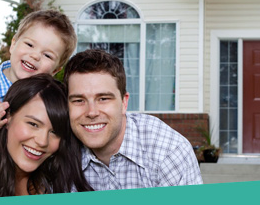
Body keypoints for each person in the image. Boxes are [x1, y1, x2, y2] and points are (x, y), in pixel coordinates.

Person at [63, 49, 203, 190]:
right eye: (79, 100)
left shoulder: (169, 152)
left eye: (103, 99)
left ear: (124, 102)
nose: (91, 112)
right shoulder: (59, 152)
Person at [0, 9, 77, 143]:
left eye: (47, 55)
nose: (35, 56)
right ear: (13, 44)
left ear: (56, 70)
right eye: (30, 45)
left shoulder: (51, 97)